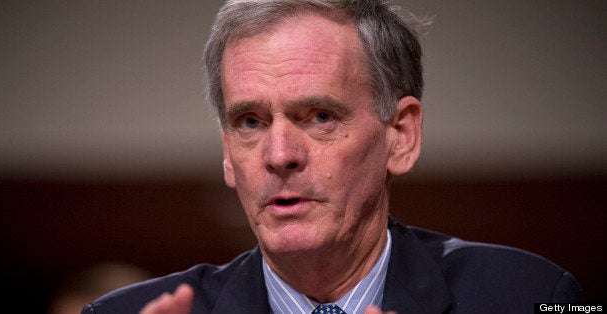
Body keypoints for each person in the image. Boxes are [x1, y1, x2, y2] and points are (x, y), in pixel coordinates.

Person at [82, 0, 583, 313]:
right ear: (228, 156)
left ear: (401, 136)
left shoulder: (535, 296)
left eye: (320, 116)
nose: (279, 155)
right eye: (251, 123)